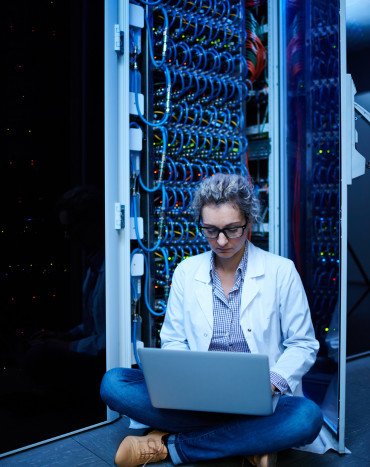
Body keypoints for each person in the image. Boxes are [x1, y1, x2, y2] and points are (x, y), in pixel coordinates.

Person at [100, 173, 323, 467]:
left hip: (261, 401)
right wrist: (183, 382)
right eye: (211, 230)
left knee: (306, 417)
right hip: (196, 399)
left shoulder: (281, 271)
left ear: (249, 224)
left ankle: (170, 445)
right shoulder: (185, 270)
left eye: (232, 230)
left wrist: (270, 384)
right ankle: (251, 442)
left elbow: (303, 344)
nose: (221, 241)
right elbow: (173, 339)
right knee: (114, 382)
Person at [25, 185, 106, 399]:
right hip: (90, 353)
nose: (70, 237)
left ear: (94, 223)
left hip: (102, 364)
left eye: (73, 228)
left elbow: (108, 343)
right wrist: (66, 335)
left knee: (40, 356)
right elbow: (95, 324)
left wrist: (66, 346)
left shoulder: (114, 269)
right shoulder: (94, 265)